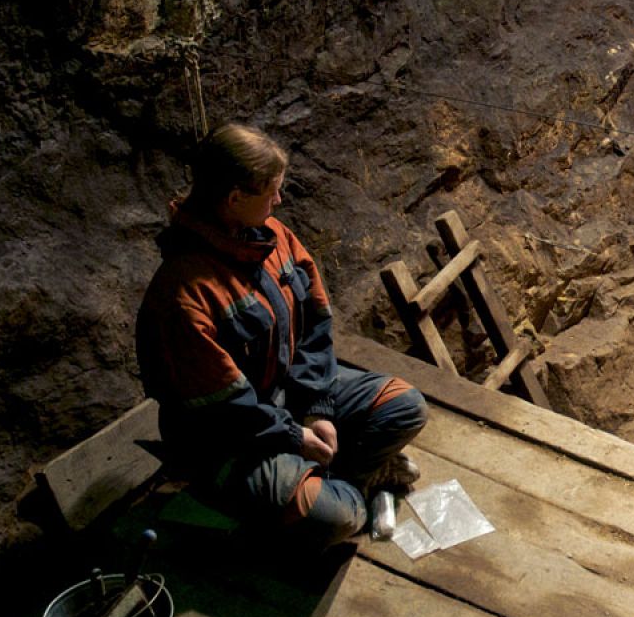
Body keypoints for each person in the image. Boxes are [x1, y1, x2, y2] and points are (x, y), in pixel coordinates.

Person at [136, 123, 428, 550]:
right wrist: (294, 439)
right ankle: (346, 488)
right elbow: (227, 408)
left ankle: (330, 479)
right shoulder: (184, 295)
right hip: (229, 440)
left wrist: (317, 408)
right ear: (235, 199)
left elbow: (315, 323)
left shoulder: (272, 238)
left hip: (285, 398)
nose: (279, 200)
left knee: (405, 405)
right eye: (271, 191)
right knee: (343, 517)